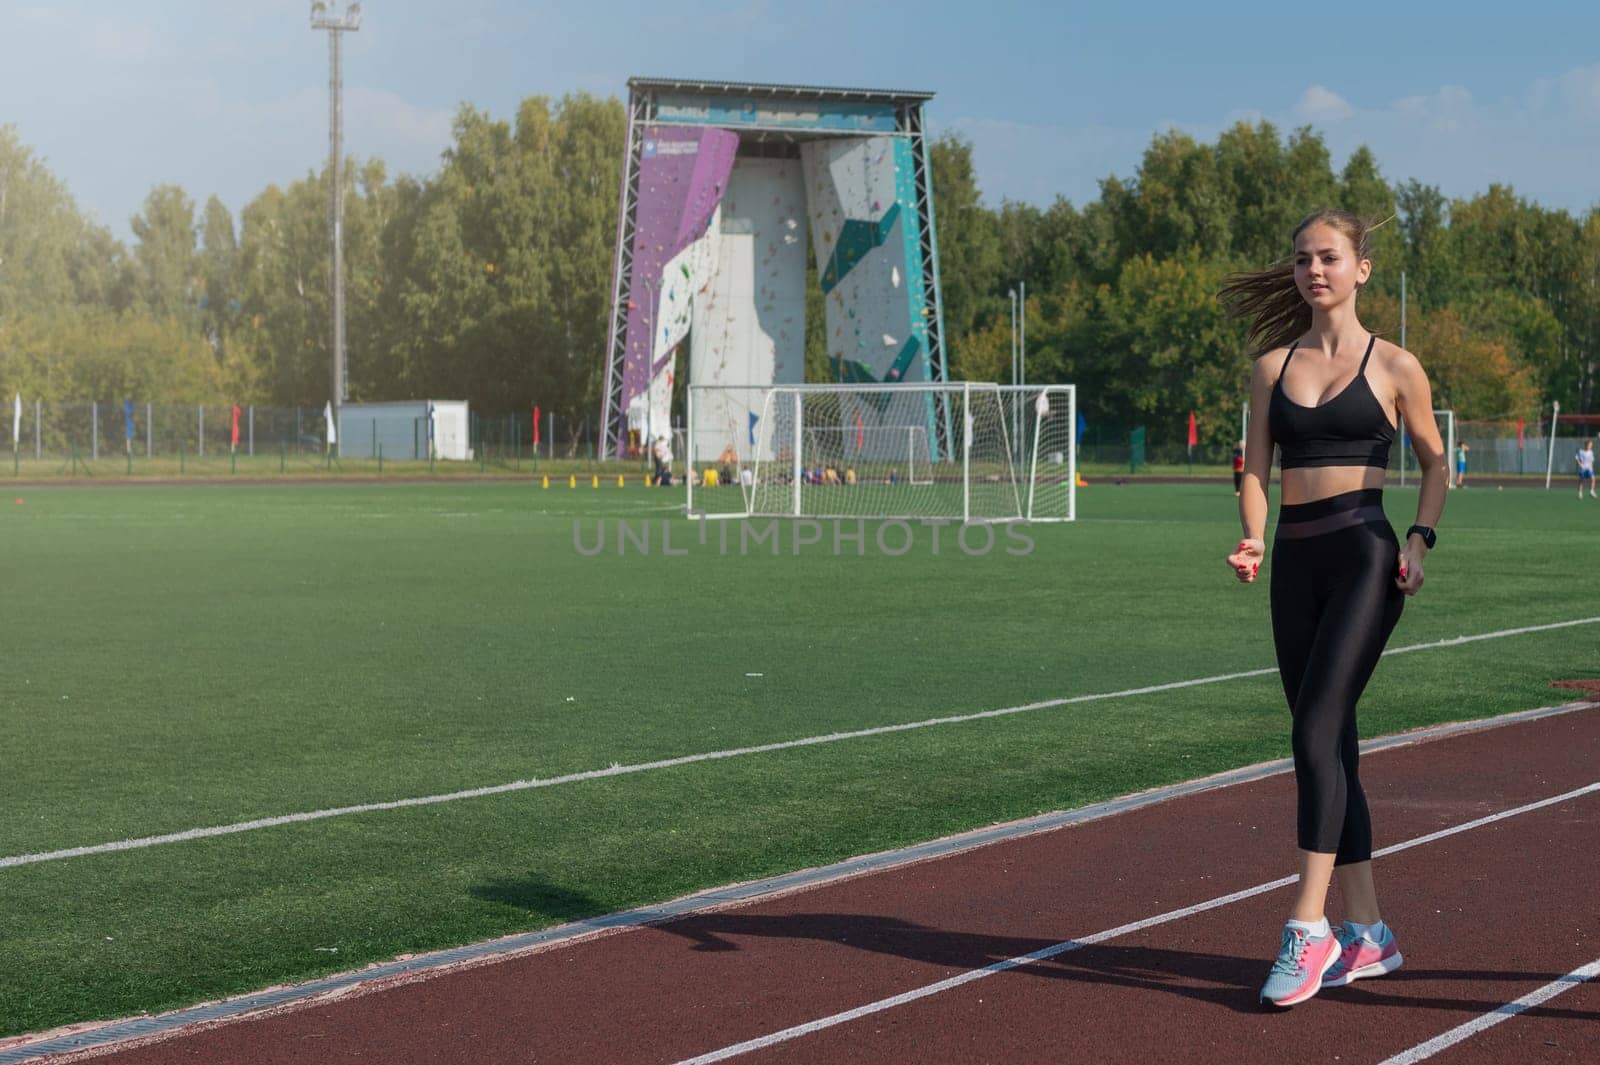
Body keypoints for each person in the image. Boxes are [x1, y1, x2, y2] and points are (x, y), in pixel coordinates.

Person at [1219, 209, 1446, 1009]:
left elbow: (1434, 462)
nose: (1315, 269)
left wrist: (1417, 540)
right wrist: (1252, 535)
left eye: (1330, 257)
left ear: (1361, 269)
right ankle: (1370, 932)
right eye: (1303, 259)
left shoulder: (1395, 366)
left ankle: (1307, 924)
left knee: (1312, 730)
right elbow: (1256, 468)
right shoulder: (1270, 367)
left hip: (1365, 558)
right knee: (1334, 745)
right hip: (1294, 562)